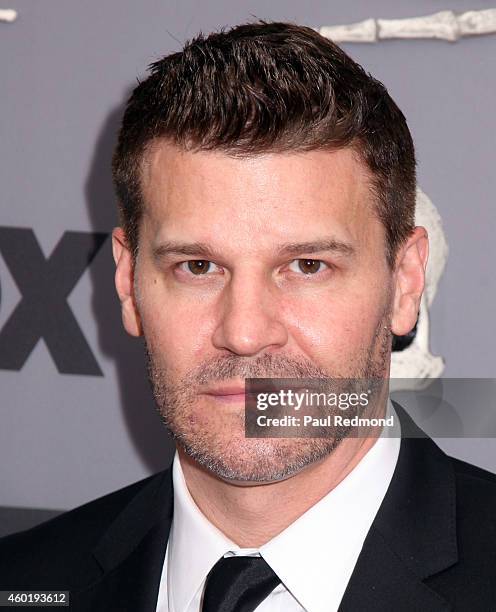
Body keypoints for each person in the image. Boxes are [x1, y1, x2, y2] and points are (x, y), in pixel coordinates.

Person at [1, 20, 495, 612]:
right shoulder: (25, 582)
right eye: (198, 267)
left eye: (307, 266)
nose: (244, 332)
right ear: (128, 284)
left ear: (405, 283)